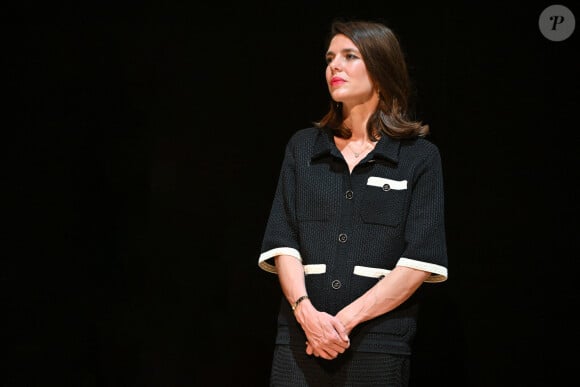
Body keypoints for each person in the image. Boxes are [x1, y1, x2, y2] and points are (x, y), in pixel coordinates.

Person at [258, 19, 448, 386]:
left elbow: (420, 260)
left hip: (377, 346)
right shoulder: (303, 148)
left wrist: (339, 325)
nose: (334, 67)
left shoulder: (418, 157)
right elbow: (283, 240)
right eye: (330, 58)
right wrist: (308, 317)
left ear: (381, 68)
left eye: (349, 56)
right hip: (300, 342)